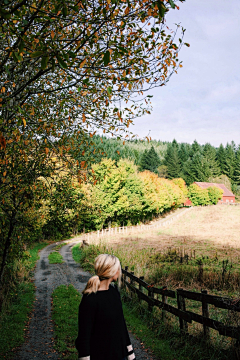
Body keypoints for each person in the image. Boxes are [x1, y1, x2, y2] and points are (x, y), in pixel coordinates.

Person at [75, 254, 136, 360]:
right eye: (118, 267)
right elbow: (84, 336)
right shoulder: (90, 299)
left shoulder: (114, 292)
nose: (119, 270)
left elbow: (121, 324)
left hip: (119, 355)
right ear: (112, 271)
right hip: (99, 356)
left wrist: (130, 353)